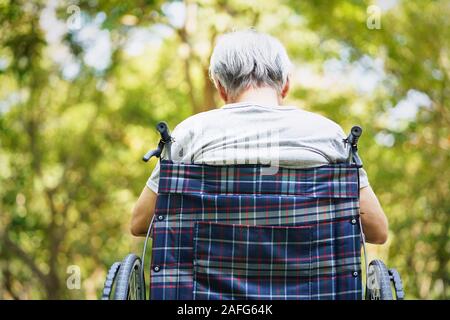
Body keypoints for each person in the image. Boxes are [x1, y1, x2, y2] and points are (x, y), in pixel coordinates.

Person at [131, 29, 388, 244]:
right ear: (285, 84)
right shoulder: (328, 136)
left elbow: (141, 222)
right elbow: (376, 230)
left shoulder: (190, 134)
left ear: (220, 87)